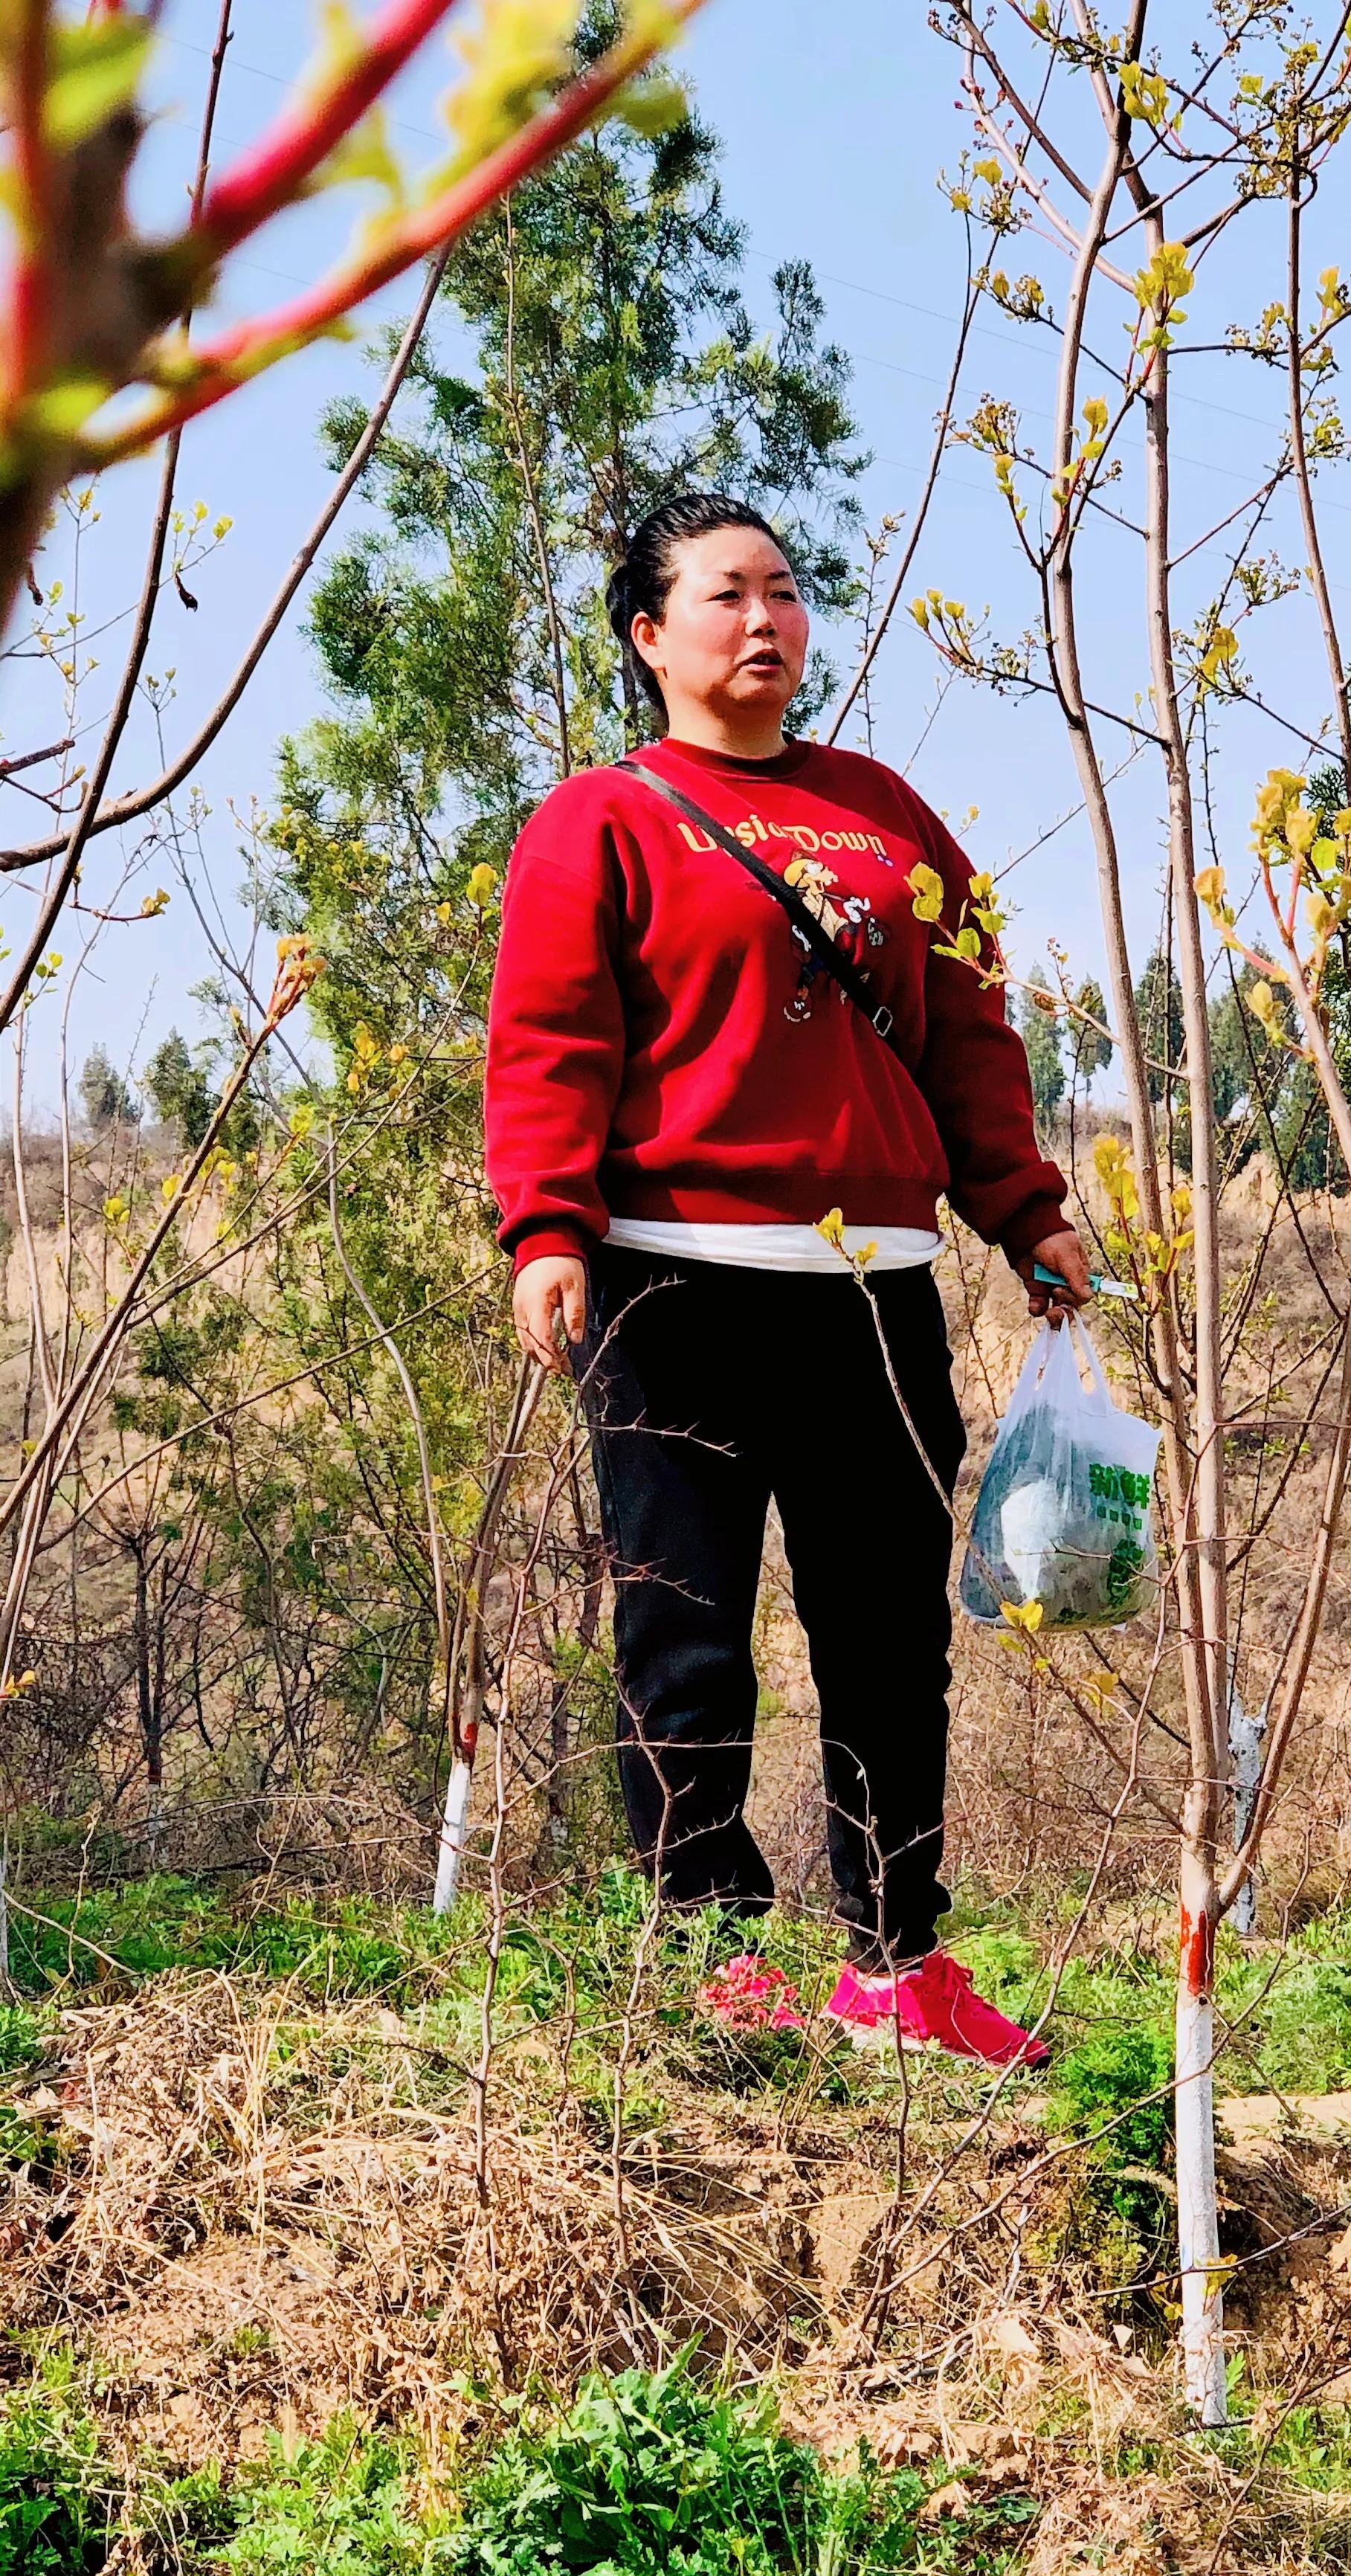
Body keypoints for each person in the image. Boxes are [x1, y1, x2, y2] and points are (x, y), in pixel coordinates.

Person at [485, 489, 1092, 2065]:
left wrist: (1025, 1210)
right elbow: (552, 1043)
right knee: (685, 1630)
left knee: (886, 1631)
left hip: (873, 1287)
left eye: (786, 592)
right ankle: (714, 1962)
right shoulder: (600, 824)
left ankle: (898, 1965)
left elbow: (969, 1031)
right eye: (726, 595)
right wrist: (547, 1229)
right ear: (650, 635)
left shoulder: (886, 816)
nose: (765, 620)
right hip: (674, 1283)